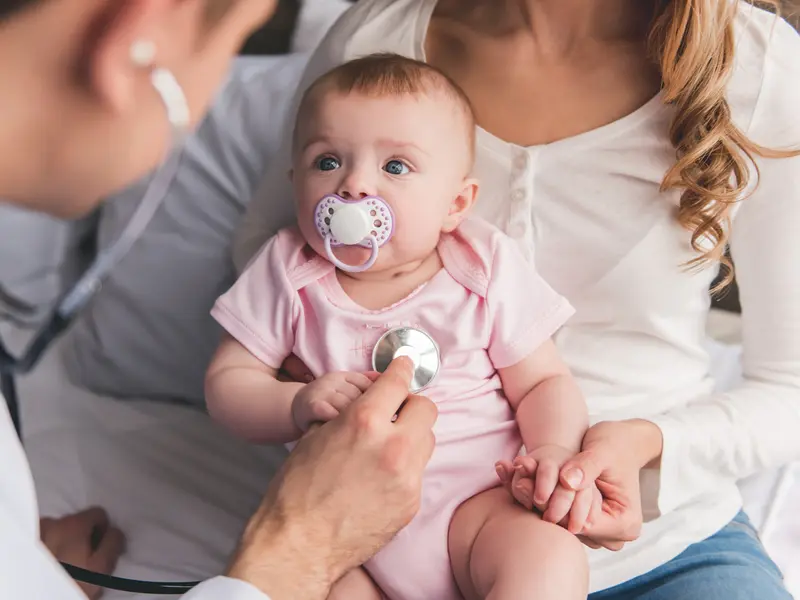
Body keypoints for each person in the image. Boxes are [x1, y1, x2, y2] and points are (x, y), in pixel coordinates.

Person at [235, 0, 800, 598]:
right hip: (370, 541)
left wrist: (646, 445)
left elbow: (791, 387)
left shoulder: (755, 68)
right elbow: (268, 253)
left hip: (664, 546)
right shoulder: (378, 38)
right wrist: (305, 390)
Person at [0, 1, 439, 599]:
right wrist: (300, 545)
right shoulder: (283, 269)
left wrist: (26, 567)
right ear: (139, 41)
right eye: (228, 47)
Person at [206, 53, 598, 600]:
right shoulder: (288, 272)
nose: (354, 186)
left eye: (395, 167)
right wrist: (294, 404)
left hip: (481, 504)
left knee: (547, 555)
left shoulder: (480, 265)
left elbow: (542, 383)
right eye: (327, 162)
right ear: (295, 182)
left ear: (455, 204)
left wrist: (553, 450)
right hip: (343, 532)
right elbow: (229, 383)